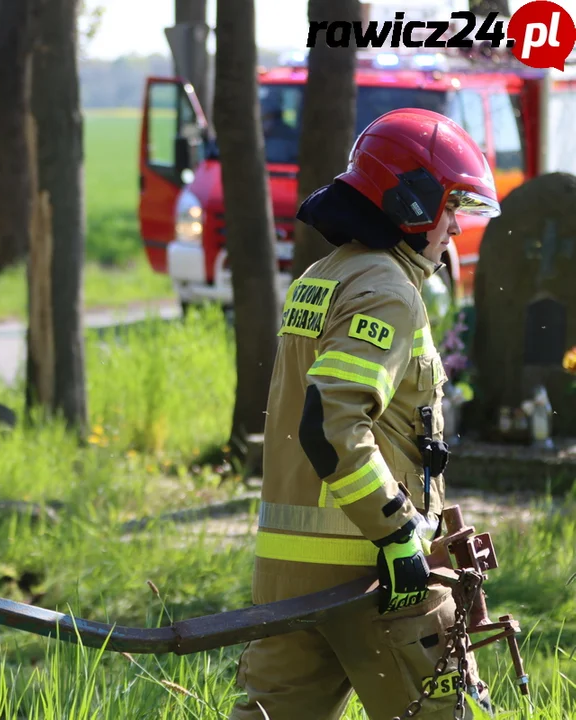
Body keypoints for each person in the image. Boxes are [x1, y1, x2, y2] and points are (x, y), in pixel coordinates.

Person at [229, 108, 500, 720]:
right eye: (451, 207)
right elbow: (334, 422)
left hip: (287, 574)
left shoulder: (321, 277)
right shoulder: (389, 290)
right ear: (412, 201)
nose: (456, 228)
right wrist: (398, 533)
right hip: (374, 572)